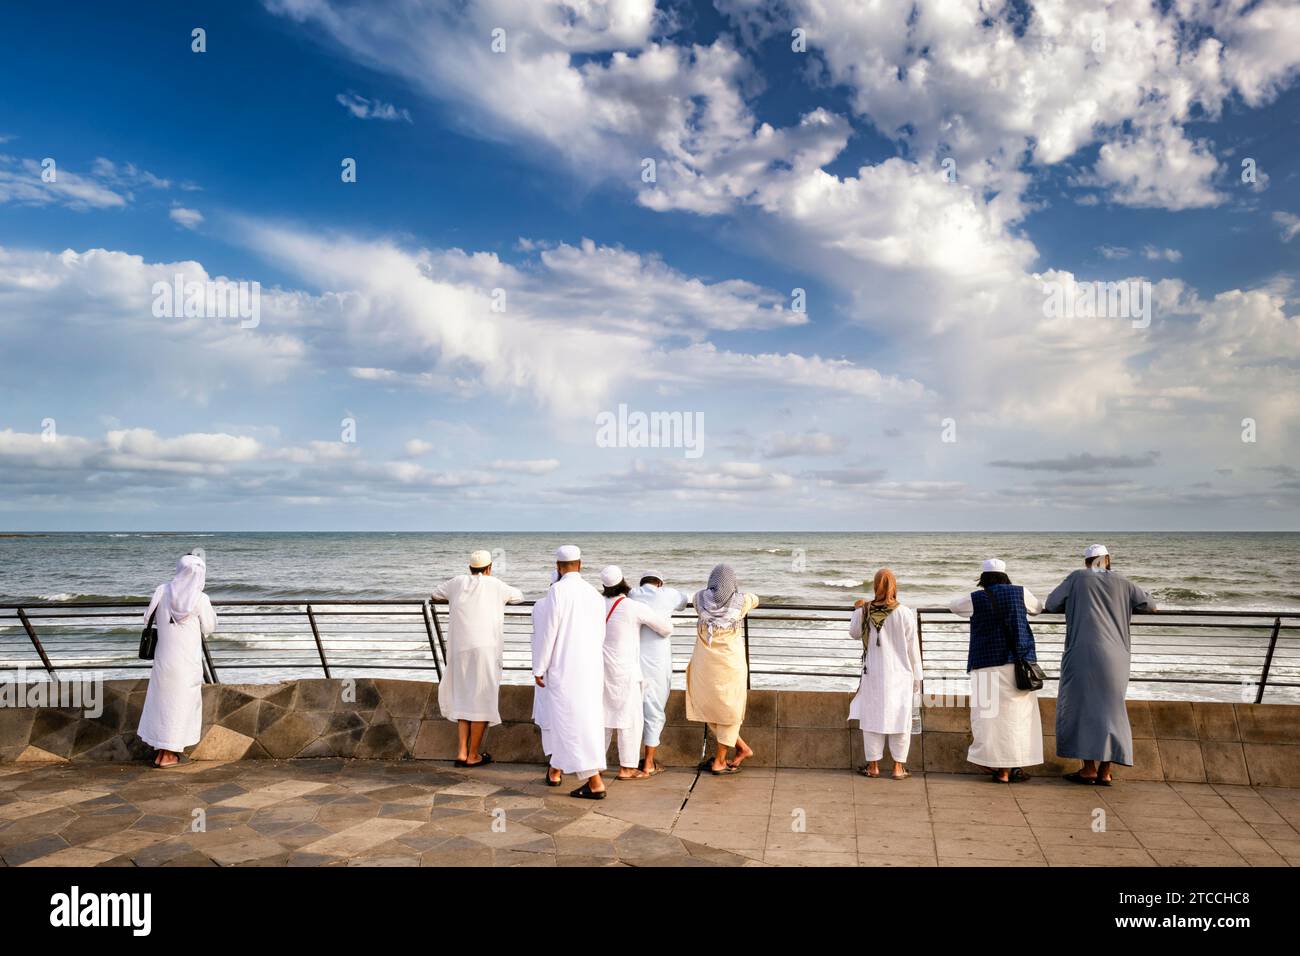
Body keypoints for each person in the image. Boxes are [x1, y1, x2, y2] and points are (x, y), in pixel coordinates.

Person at [1045, 544, 1156, 786]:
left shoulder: (1077, 578)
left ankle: (1088, 769)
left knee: (1081, 706)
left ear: (1087, 562)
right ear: (1107, 559)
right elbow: (1150, 605)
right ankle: (1106, 771)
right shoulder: (1123, 582)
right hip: (1117, 655)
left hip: (1082, 652)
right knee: (1112, 709)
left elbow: (1052, 604)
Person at [948, 558, 1044, 783]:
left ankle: (998, 769)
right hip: (1017, 664)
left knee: (988, 719)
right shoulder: (1020, 592)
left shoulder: (976, 598)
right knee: (1017, 718)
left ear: (983, 578)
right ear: (1005, 576)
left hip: (985, 663)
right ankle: (1013, 768)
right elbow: (1037, 609)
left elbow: (953, 606)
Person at [430, 549, 524, 768]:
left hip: (459, 650)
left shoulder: (457, 582)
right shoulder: (496, 585)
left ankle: (462, 752)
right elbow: (519, 596)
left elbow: (435, 594)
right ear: (489, 568)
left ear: (470, 567)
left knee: (463, 697)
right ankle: (473, 755)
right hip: (486, 650)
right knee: (482, 698)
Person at [532, 545, 608, 799]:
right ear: (581, 564)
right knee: (587, 720)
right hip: (592, 666)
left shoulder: (558, 591)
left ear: (558, 566)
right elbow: (601, 633)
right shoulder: (595, 594)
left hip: (566, 666)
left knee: (569, 722)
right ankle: (558, 768)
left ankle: (595, 782)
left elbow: (549, 632)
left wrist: (539, 667)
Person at [138, 553, 217, 768]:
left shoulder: (162, 590)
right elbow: (209, 627)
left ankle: (161, 753)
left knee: (162, 704)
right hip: (188, 661)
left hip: (164, 658)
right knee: (180, 706)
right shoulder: (200, 598)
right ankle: (170, 755)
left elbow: (147, 617)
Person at [600, 566, 674, 780]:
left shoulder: (597, 605)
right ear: (624, 582)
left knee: (603, 719)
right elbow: (665, 628)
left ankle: (597, 765)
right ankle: (627, 768)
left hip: (601, 669)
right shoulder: (631, 606)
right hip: (626, 671)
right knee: (630, 720)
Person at [848, 568, 922, 780]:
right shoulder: (904, 612)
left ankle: (873, 767)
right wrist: (918, 678)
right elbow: (912, 648)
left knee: (872, 719)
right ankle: (898, 768)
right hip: (901, 675)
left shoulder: (865, 610)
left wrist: (857, 609)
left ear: (875, 586)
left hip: (874, 674)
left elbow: (854, 633)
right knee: (901, 720)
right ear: (894, 586)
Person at [686, 564, 760, 774]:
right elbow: (755, 599)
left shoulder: (699, 599)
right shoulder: (741, 602)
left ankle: (739, 751)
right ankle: (722, 760)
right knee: (730, 709)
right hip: (731, 664)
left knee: (708, 705)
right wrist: (739, 593)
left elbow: (692, 598)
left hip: (705, 664)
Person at [627, 571, 689, 777]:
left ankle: (629, 761)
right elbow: (685, 600)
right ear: (660, 583)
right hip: (658, 659)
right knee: (655, 709)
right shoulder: (668, 593)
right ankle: (649, 763)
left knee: (633, 708)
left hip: (633, 656)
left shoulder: (632, 594)